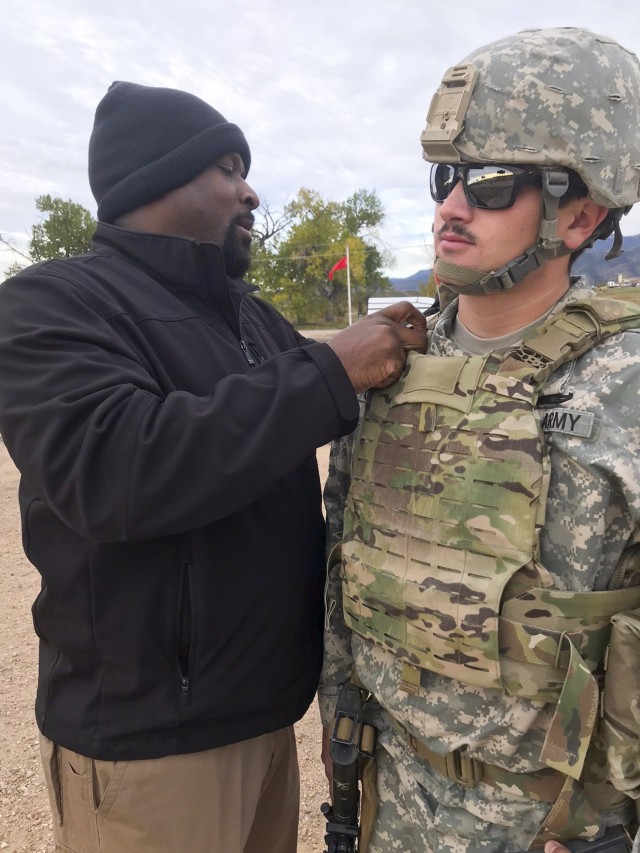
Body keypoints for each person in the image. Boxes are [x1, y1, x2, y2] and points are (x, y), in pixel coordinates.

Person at [0, 81, 426, 853]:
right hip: (149, 754)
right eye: (231, 168)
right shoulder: (53, 303)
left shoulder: (250, 315)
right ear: (158, 178)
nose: (251, 190)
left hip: (266, 723)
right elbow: (116, 468)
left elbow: (321, 403)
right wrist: (329, 370)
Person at [319, 27, 640, 853]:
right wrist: (346, 758)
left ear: (583, 212)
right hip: (391, 797)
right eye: (447, 177)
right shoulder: (392, 358)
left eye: (494, 185)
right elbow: (345, 571)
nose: (452, 207)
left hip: (552, 826)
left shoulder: (626, 379)